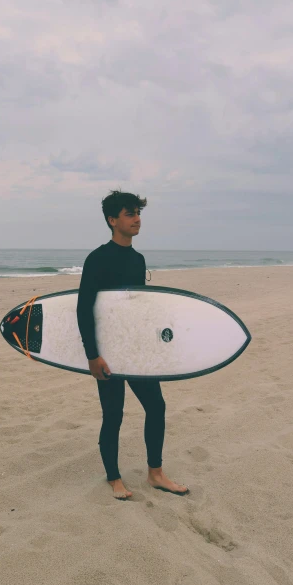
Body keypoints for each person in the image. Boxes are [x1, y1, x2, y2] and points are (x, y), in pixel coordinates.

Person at [77, 188, 189, 500]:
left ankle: (155, 473)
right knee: (113, 414)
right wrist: (93, 356)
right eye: (130, 214)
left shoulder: (137, 260)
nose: (137, 219)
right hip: (108, 354)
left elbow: (137, 310)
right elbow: (84, 309)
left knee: (156, 406)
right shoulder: (97, 259)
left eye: (138, 213)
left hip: (136, 351)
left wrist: (153, 347)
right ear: (112, 220)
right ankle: (113, 478)